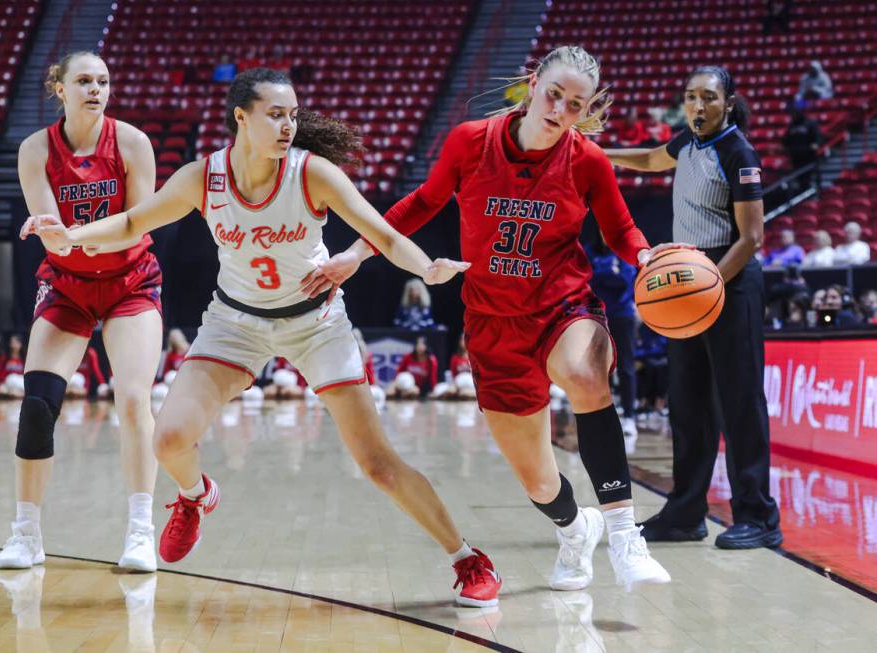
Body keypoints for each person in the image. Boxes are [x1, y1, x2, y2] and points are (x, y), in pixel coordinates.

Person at [29, 67, 501, 607]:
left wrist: (426, 268)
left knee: (376, 463)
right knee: (168, 439)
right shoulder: (201, 178)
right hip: (235, 323)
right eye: (276, 114)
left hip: (316, 323)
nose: (287, 125)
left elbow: (384, 234)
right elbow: (135, 221)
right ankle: (195, 496)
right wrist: (71, 235)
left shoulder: (312, 173)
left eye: (293, 115)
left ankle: (467, 557)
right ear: (241, 117)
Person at [305, 45, 671, 591]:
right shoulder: (472, 141)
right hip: (493, 320)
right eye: (554, 94)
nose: (560, 110)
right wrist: (355, 255)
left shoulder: (587, 159)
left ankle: (623, 535)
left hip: (561, 304)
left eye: (575, 104)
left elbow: (619, 228)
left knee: (584, 375)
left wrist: (644, 255)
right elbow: (424, 202)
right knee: (538, 479)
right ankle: (577, 531)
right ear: (532, 83)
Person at [604, 65, 783, 549]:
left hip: (730, 277)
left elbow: (753, 238)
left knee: (740, 401)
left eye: (708, 97)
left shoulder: (738, 152)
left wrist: (711, 287)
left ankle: (759, 515)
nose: (698, 106)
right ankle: (685, 513)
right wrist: (598, 152)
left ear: (727, 103)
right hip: (688, 282)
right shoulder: (687, 142)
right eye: (690, 97)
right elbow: (648, 158)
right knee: (688, 402)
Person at [0, 51, 163, 572]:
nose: (96, 89)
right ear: (59, 89)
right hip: (68, 285)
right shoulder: (34, 150)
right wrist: (56, 236)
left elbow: (137, 224)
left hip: (130, 283)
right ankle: (26, 534)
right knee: (37, 405)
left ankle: (140, 530)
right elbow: (51, 232)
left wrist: (73, 237)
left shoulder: (133, 142)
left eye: (104, 81)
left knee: (134, 400)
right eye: (85, 81)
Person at [585, 233, 639, 449]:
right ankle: (597, 418)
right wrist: (609, 274)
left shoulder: (627, 250)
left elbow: (625, 281)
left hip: (622, 315)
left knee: (626, 367)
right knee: (594, 368)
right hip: (595, 314)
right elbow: (586, 278)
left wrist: (602, 275)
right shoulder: (589, 250)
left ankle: (629, 417)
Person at [782, 106, 823, 190]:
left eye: (795, 114)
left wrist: (816, 144)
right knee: (800, 179)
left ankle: (817, 191)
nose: (793, 116)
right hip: (796, 157)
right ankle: (803, 192)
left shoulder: (810, 123)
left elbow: (818, 137)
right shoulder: (792, 125)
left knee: (812, 175)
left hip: (809, 156)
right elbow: (785, 140)